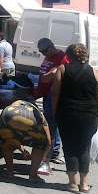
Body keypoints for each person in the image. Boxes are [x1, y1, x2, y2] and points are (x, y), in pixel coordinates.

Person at [51, 44, 98, 193]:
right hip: (88, 115)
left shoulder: (62, 69)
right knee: (84, 148)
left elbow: (55, 93)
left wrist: (55, 111)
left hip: (67, 113)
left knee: (69, 147)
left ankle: (72, 184)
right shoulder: (94, 72)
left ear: (68, 56)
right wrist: (96, 113)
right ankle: (84, 184)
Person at [0, 100, 51, 183]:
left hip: (9, 113)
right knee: (40, 144)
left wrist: (23, 151)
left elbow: (15, 138)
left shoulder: (15, 103)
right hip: (32, 120)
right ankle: (33, 176)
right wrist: (43, 156)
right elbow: (48, 142)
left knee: (6, 140)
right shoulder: (38, 114)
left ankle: (10, 172)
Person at [36, 38, 69, 172]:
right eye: (40, 51)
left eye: (43, 51)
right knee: (51, 124)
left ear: (51, 47)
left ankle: (52, 153)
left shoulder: (62, 58)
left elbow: (62, 77)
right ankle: (54, 150)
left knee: (51, 125)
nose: (42, 54)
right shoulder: (50, 56)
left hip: (53, 96)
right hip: (46, 94)